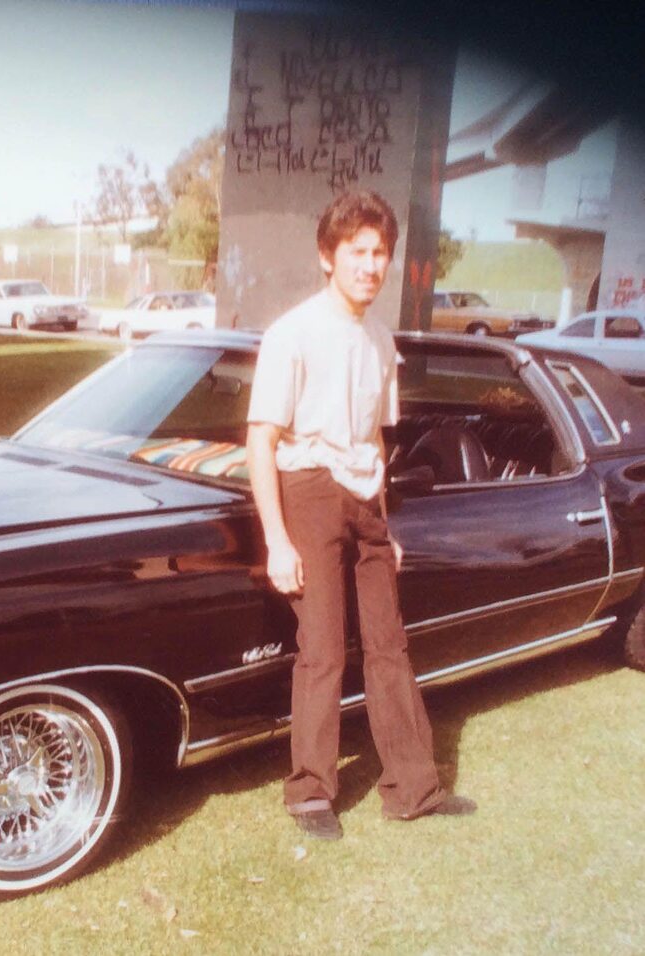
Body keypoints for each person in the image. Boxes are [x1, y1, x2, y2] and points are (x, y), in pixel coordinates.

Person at [246, 190, 476, 841]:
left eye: (380, 254)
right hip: (309, 493)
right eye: (358, 252)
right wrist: (278, 541)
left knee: (389, 646)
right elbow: (261, 439)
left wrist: (384, 525)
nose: (371, 265)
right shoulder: (292, 333)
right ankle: (311, 792)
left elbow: (375, 441)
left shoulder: (380, 338)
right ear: (328, 256)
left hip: (366, 499)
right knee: (321, 649)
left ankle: (413, 787)